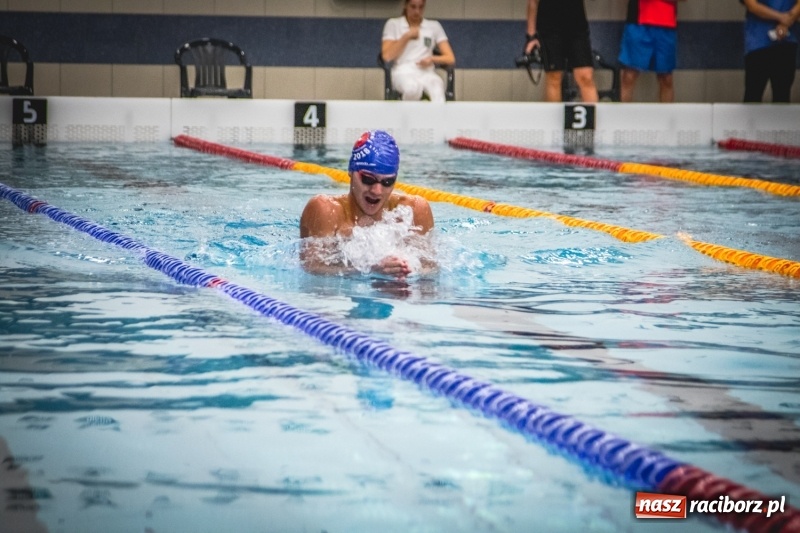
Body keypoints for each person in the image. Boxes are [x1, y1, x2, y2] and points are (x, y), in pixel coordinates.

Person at [299, 130, 435, 280]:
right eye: (368, 179)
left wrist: (406, 273)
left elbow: (430, 270)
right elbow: (313, 268)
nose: (377, 191)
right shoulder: (326, 210)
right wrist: (369, 269)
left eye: (387, 182)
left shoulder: (414, 210)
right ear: (351, 170)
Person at [381, 0, 456, 103]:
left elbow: (450, 58)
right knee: (412, 88)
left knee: (437, 88)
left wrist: (432, 59)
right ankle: (408, 113)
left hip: (427, 72)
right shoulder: (393, 24)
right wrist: (407, 36)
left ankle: (437, 113)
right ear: (405, 5)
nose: (417, 11)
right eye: (413, 7)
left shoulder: (434, 26)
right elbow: (387, 56)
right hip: (402, 71)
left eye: (421, 7)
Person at [524, 0, 599, 102]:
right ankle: (553, 112)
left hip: (576, 24)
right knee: (554, 76)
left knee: (586, 76)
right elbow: (533, 2)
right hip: (549, 27)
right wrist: (531, 37)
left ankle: (592, 112)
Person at [618, 0, 683, 103]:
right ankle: (623, 112)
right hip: (638, 22)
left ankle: (666, 113)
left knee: (666, 78)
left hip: (666, 24)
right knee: (629, 76)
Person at [742, 0, 800, 102]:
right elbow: (752, 5)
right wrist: (782, 18)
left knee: (782, 95)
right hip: (758, 43)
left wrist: (786, 22)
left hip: (785, 41)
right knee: (753, 94)